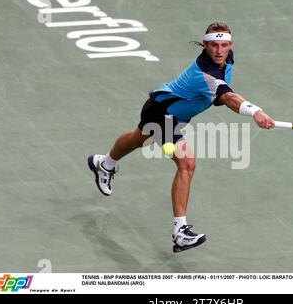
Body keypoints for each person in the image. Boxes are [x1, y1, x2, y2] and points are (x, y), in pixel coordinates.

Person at [88, 22, 275, 253]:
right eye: (214, 45)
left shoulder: (227, 57)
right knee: (186, 163)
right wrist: (255, 111)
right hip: (162, 115)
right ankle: (180, 232)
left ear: (230, 45)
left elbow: (225, 91)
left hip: (168, 113)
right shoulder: (205, 74)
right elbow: (228, 98)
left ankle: (103, 163)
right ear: (205, 44)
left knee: (139, 139)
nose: (219, 50)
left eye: (224, 45)